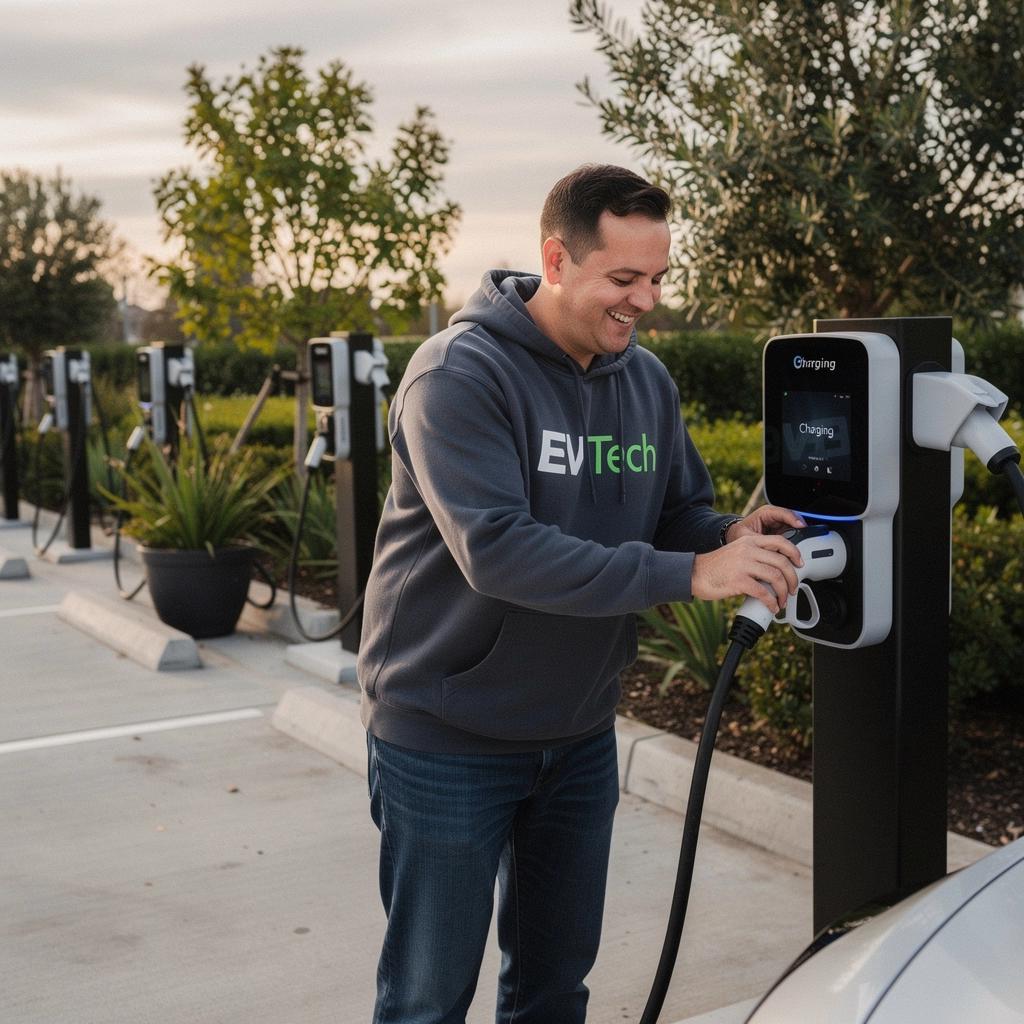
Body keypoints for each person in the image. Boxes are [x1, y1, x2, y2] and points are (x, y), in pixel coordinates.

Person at [357, 163, 805, 1024]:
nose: (646, 301)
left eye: (659, 278)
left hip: (577, 734)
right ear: (557, 261)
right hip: (447, 735)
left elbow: (675, 511)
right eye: (625, 278)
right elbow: (498, 551)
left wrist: (726, 537)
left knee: (555, 990)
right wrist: (691, 575)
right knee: (426, 1000)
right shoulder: (456, 376)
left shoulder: (646, 380)